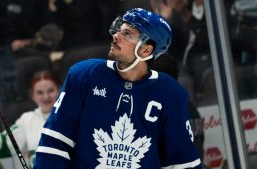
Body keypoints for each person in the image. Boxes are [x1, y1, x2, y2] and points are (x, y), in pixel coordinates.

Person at [34, 8, 201, 168]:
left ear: (145, 50)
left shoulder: (170, 94)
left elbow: (182, 163)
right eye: (118, 30)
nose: (115, 36)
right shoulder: (84, 76)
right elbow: (55, 143)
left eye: (127, 34)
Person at [0, 70, 61, 169]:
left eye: (50, 91)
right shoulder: (27, 120)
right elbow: (2, 149)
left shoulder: (74, 115)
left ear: (60, 90)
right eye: (40, 92)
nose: (46, 97)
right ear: (32, 95)